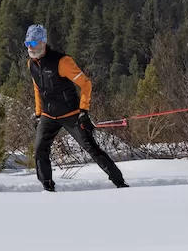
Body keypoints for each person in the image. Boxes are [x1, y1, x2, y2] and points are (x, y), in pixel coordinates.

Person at [25, 24, 128, 191]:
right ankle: (47, 187)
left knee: (91, 148)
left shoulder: (62, 62)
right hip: (48, 115)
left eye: (34, 43)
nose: (31, 47)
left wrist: (84, 112)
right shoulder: (32, 64)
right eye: (27, 44)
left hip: (71, 113)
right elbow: (37, 88)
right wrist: (38, 114)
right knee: (39, 150)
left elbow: (86, 84)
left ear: (43, 42)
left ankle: (120, 183)